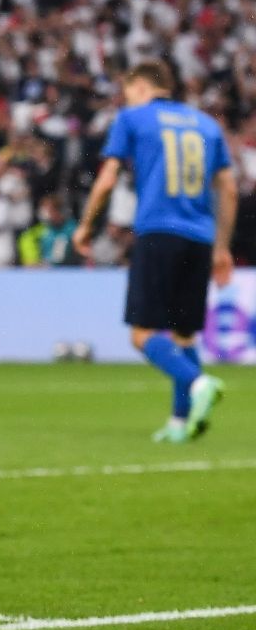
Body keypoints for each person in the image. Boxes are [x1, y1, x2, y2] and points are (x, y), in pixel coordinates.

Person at [73, 60, 234, 443]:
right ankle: (181, 424)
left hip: (159, 230)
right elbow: (227, 188)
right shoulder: (208, 125)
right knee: (184, 334)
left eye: (128, 92)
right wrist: (223, 248)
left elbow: (108, 178)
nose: (127, 100)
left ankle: (197, 383)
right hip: (200, 237)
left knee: (142, 335)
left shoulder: (133, 118)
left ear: (141, 87)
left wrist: (86, 226)